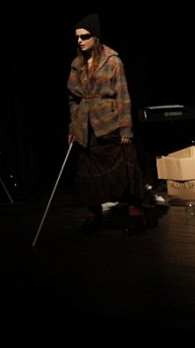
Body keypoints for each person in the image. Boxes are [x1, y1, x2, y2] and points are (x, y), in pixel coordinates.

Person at [67, 13, 149, 235]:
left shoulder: (112, 60)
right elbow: (73, 99)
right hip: (85, 126)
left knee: (123, 169)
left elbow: (123, 96)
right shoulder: (77, 64)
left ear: (95, 36)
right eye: (77, 37)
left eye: (84, 36)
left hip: (109, 123)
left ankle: (136, 215)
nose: (79, 41)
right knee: (89, 171)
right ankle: (93, 216)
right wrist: (73, 127)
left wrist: (126, 129)